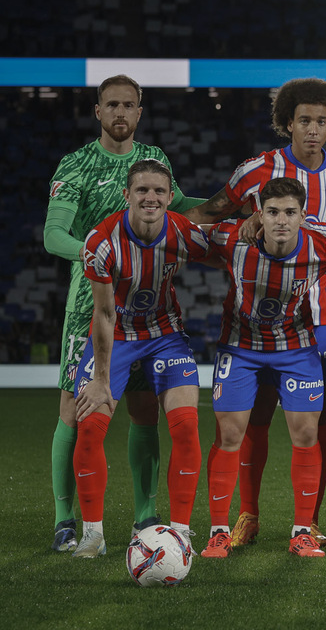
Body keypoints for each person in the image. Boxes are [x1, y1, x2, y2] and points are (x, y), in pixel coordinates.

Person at [185, 77, 326, 547]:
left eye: (321, 122)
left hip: (319, 316)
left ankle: (310, 521)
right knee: (255, 414)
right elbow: (209, 213)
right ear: (288, 123)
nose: (312, 129)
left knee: (318, 417)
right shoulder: (256, 171)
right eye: (303, 120)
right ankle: (247, 514)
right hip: (256, 313)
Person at [43, 74, 203, 552]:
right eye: (110, 104)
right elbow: (54, 236)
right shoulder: (75, 166)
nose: (119, 112)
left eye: (128, 105)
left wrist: (227, 208)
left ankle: (145, 514)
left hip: (147, 307)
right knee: (77, 409)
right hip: (91, 302)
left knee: (143, 408)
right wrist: (101, 254)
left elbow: (179, 211)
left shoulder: (155, 164)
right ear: (98, 111)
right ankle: (65, 518)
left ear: (139, 111)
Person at [200, 179, 326, 559]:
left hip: (297, 348)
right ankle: (219, 531)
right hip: (240, 347)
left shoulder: (321, 248)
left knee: (306, 434)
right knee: (230, 434)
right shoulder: (232, 239)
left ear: (303, 215)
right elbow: (181, 233)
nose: (281, 220)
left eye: (289, 212)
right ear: (259, 215)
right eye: (272, 212)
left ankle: (302, 531)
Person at [71, 159, 208, 558]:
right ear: (127, 194)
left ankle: (180, 533)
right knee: (90, 426)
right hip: (117, 335)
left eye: (159, 191)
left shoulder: (184, 233)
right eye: (142, 190)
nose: (150, 197)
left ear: (169, 198)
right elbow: (104, 314)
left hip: (166, 335)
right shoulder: (101, 242)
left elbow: (226, 253)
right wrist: (100, 378)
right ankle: (92, 534)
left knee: (185, 426)